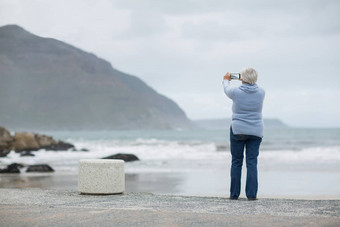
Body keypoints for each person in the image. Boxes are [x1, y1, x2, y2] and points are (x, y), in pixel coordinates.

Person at [222, 67, 265, 200]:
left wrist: (226, 79)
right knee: (252, 162)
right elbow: (251, 87)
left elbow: (226, 89)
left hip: (238, 130)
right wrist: (245, 79)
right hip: (256, 130)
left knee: (236, 162)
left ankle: (234, 195)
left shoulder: (236, 92)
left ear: (242, 79)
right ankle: (251, 195)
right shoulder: (262, 92)